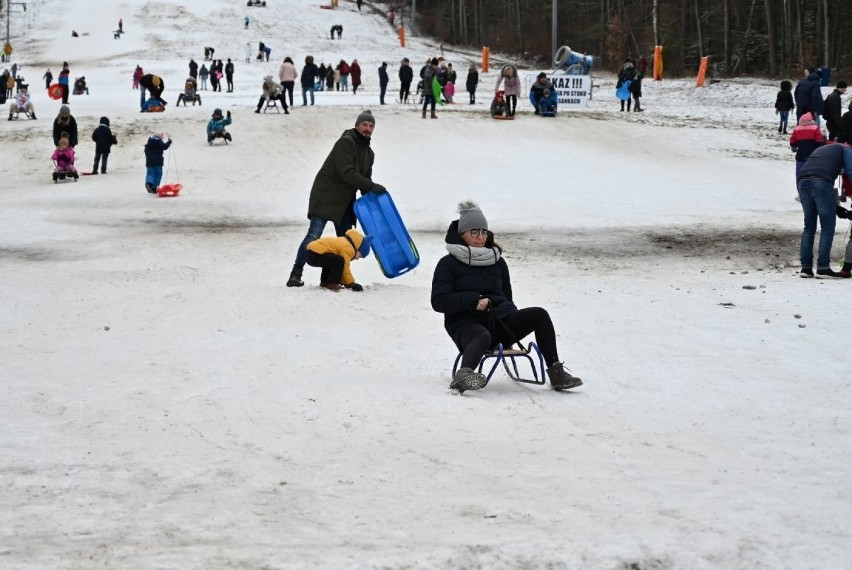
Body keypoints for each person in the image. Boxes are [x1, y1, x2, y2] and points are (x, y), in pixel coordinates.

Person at [431, 201, 584, 393]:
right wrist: (472, 301)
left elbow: (507, 297)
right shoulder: (448, 264)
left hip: (499, 322)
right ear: (462, 234)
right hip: (465, 325)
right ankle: (464, 374)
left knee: (539, 314)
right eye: (474, 232)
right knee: (482, 335)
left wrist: (511, 322)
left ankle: (556, 373)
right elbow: (438, 300)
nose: (481, 237)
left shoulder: (497, 262)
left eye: (484, 232)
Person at [286, 110, 387, 287]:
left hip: (345, 201)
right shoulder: (346, 142)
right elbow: (346, 173)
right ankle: (296, 274)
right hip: (326, 195)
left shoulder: (369, 154)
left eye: (371, 126)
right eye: (364, 124)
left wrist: (373, 198)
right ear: (357, 125)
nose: (367, 128)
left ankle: (336, 277)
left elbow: (365, 182)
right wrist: (371, 186)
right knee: (314, 235)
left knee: (346, 241)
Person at [795, 142, 852, 278]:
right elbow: (850, 171)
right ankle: (823, 267)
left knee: (809, 227)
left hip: (803, 182)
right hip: (821, 182)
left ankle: (806, 268)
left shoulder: (824, 149)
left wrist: (835, 207)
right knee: (827, 227)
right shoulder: (847, 149)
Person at [305, 229, 373, 291]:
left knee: (332, 260)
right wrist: (351, 284)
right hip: (315, 254)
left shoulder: (346, 242)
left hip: (312, 253)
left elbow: (339, 269)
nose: (357, 258)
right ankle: (332, 284)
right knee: (339, 261)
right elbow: (345, 267)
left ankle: (325, 282)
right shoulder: (349, 248)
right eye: (360, 256)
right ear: (358, 248)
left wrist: (345, 282)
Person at [790, 112, 825, 179]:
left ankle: (800, 187)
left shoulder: (797, 129)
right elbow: (819, 141)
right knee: (813, 174)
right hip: (813, 156)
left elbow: (792, 141)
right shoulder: (815, 128)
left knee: (800, 174)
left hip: (800, 156)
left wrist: (794, 146)